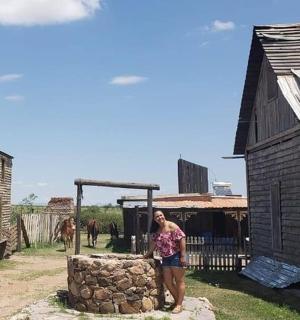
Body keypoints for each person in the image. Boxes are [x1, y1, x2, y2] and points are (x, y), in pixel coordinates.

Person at [144, 210, 186, 314]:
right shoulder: (157, 231)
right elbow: (152, 246)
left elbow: (182, 238)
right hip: (165, 259)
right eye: (157, 216)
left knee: (179, 281)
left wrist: (183, 256)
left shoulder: (172, 226)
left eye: (161, 215)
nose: (159, 217)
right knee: (168, 282)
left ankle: (179, 305)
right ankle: (178, 302)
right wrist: (145, 256)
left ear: (164, 216)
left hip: (176, 256)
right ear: (154, 219)